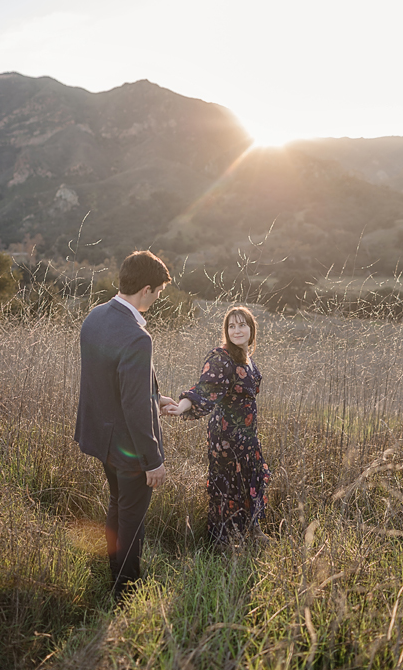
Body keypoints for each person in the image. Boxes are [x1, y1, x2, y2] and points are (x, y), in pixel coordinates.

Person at [74, 250, 176, 602]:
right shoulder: (137, 336)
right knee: (132, 519)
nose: (158, 298)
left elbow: (112, 379)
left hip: (101, 437)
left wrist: (155, 397)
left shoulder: (96, 316)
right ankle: (126, 591)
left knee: (117, 506)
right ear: (146, 289)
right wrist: (153, 459)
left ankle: (114, 575)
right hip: (129, 445)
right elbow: (132, 405)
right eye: (159, 292)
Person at [165, 305, 271, 545]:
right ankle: (226, 539)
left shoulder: (248, 359)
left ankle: (252, 531)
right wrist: (182, 405)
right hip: (226, 436)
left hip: (247, 434)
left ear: (251, 329)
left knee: (251, 478)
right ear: (226, 331)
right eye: (231, 326)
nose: (237, 330)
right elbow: (205, 387)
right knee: (228, 485)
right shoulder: (221, 357)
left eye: (242, 324)